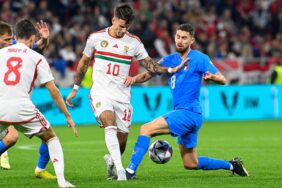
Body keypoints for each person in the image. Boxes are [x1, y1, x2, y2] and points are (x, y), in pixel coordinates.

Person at [66, 3, 186, 181]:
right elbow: (83, 63)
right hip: (101, 92)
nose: (123, 30)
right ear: (113, 20)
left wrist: (169, 70)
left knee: (121, 143)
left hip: (122, 95)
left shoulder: (133, 42)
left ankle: (112, 160)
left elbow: (149, 65)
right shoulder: (96, 38)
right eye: (120, 26)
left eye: (126, 27)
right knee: (109, 122)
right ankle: (121, 172)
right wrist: (75, 89)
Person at [124, 23, 249, 179]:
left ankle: (129, 172)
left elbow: (223, 79)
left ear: (192, 40)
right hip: (187, 114)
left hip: (189, 112)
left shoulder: (200, 58)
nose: (180, 41)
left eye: (184, 38)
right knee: (191, 163)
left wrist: (212, 78)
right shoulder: (169, 60)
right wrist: (131, 79)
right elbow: (147, 75)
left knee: (145, 129)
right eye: (178, 37)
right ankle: (232, 165)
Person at [0, 19, 77, 188]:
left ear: (14, 36)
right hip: (22, 107)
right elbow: (53, 91)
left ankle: (40, 170)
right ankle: (62, 182)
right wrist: (67, 115)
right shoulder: (37, 58)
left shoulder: (2, 53)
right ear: (33, 38)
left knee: (11, 137)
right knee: (51, 137)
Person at [0, 20, 56, 180]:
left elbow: (33, 50)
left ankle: (40, 169)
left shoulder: (12, 53)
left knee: (12, 137)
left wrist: (44, 39)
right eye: (6, 39)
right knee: (11, 137)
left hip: (9, 103)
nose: (11, 42)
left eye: (12, 38)